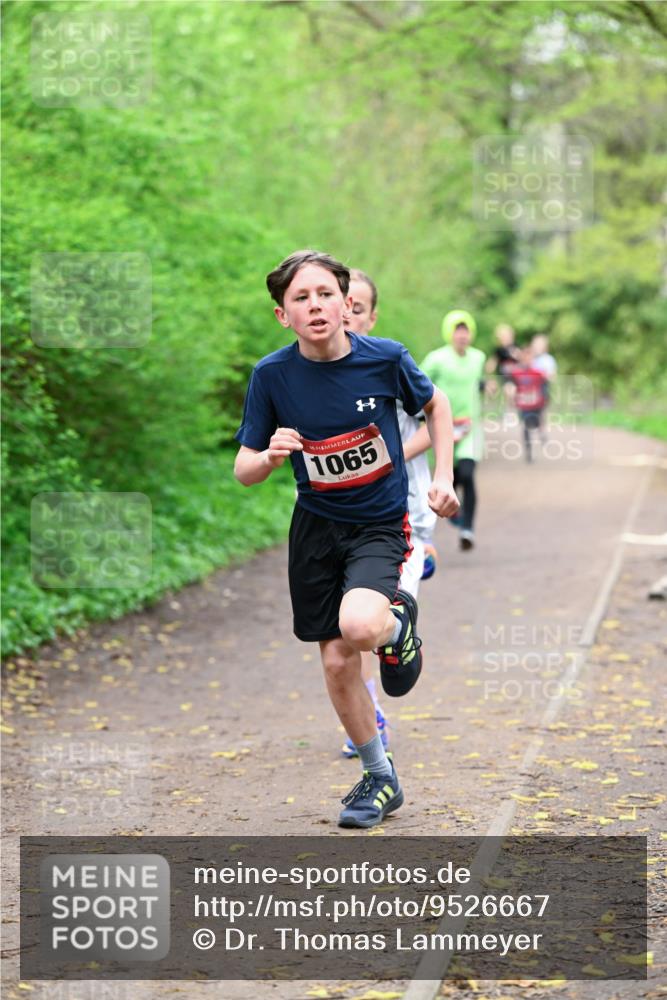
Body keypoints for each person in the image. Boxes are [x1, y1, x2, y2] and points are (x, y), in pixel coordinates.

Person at [234, 250, 459, 829]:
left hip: (379, 525)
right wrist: (268, 456)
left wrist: (443, 476)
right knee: (336, 662)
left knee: (360, 628)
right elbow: (244, 469)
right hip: (314, 531)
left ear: (345, 303)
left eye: (326, 295)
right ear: (283, 315)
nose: (315, 306)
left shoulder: (384, 360)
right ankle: (380, 777)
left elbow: (436, 405)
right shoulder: (273, 375)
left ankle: (397, 623)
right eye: (301, 299)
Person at [339, 268, 437, 759]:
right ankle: (366, 709)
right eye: (344, 303)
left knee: (375, 623)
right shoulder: (310, 370)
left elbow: (437, 422)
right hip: (341, 525)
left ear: (371, 316)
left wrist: (390, 452)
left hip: (403, 518)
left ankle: (373, 707)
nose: (347, 313)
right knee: (344, 632)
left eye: (358, 307)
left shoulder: (388, 363)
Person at [420, 310, 485, 551]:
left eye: (466, 330)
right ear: (449, 332)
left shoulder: (478, 358)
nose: (462, 335)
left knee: (468, 474)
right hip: (445, 427)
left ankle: (467, 529)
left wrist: (484, 386)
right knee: (451, 476)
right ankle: (455, 513)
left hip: (470, 428)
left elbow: (475, 381)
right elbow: (417, 381)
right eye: (458, 330)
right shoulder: (436, 359)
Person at [508, 345, 549, 463]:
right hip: (523, 405)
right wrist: (512, 397)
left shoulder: (538, 373)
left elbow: (545, 386)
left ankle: (541, 432)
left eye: (529, 357)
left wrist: (545, 398)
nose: (527, 359)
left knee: (536, 423)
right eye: (525, 357)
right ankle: (529, 453)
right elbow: (511, 386)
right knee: (526, 427)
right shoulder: (516, 373)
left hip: (537, 404)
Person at [486, 324, 520, 406]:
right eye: (502, 337)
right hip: (504, 378)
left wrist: (516, 354)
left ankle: (513, 410)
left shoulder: (516, 347)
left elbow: (522, 358)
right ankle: (509, 410)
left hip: (516, 378)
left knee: (512, 391)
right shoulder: (499, 350)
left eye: (507, 336)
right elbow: (490, 366)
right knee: (508, 391)